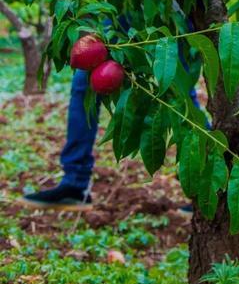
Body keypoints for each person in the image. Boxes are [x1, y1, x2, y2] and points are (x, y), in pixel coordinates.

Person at [22, 13, 203, 210]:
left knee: (180, 89)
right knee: (84, 85)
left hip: (170, 10)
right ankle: (74, 182)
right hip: (121, 8)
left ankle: (206, 183)